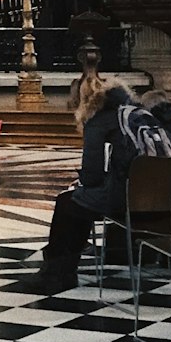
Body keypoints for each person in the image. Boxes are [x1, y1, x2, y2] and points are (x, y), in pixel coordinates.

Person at [32, 74, 150, 294]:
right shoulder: (140, 112)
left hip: (124, 198)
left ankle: (56, 273)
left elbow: (92, 175)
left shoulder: (100, 120)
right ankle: (62, 270)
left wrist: (83, 182)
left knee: (67, 202)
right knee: (80, 202)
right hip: (158, 198)